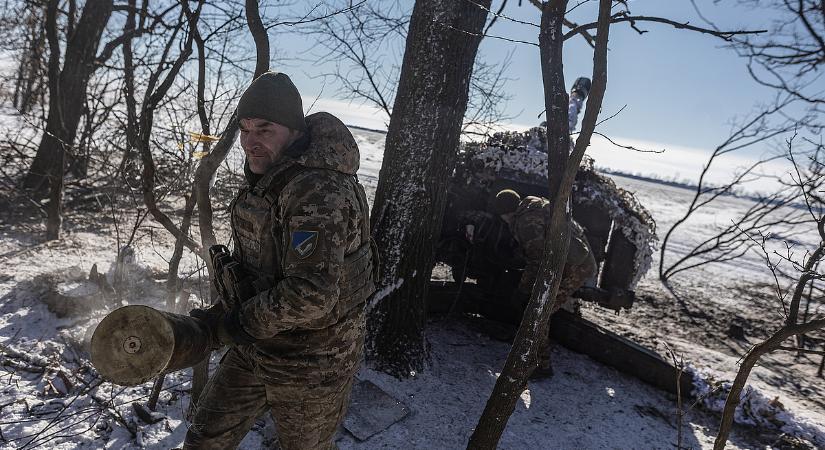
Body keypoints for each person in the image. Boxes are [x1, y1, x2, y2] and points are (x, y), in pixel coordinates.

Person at [184, 72, 376, 450]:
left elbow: (311, 293)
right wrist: (220, 314)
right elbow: (255, 270)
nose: (250, 142)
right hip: (257, 346)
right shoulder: (271, 178)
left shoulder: (318, 191)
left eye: (265, 130)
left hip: (312, 362)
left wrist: (235, 324)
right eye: (245, 129)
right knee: (204, 439)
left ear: (292, 131)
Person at [463, 189, 597, 378]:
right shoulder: (532, 205)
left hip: (575, 268)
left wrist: (522, 290)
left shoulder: (526, 222)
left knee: (539, 311)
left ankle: (541, 366)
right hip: (571, 261)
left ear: (504, 213)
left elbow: (536, 261)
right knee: (539, 308)